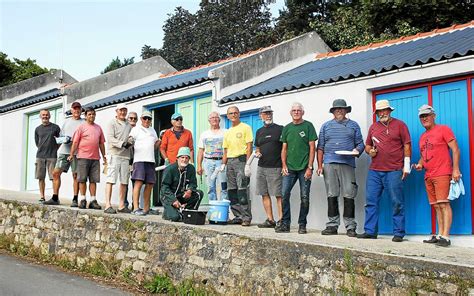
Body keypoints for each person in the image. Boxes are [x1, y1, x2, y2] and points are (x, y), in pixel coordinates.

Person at [357, 99, 411, 242]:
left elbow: (407, 145)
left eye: (384, 110)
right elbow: (367, 145)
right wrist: (370, 152)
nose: (382, 113)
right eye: (379, 111)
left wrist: (406, 166)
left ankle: (399, 233)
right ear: (377, 113)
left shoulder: (400, 125)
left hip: (394, 169)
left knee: (397, 201)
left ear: (390, 110)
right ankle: (370, 231)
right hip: (375, 170)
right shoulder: (373, 127)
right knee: (371, 201)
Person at [414, 105, 461, 247]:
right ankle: (440, 234)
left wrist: (456, 169)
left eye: (427, 115)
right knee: (436, 206)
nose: (424, 118)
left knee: (444, 204)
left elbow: (455, 149)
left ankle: (446, 237)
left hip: (442, 172)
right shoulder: (422, 137)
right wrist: (420, 164)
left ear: (433, 116)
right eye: (422, 116)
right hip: (428, 175)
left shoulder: (443, 129)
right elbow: (424, 155)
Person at [317, 99, 364, 237]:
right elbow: (320, 147)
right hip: (330, 163)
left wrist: (356, 150)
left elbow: (360, 143)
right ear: (333, 111)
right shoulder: (326, 126)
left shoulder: (354, 125)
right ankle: (332, 225)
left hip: (348, 163)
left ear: (346, 111)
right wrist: (319, 165)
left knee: (349, 194)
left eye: (341, 109)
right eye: (336, 109)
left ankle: (350, 226)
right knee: (332, 194)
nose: (339, 111)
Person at [276, 102, 317, 234]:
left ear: (303, 112)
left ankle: (302, 224)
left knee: (304, 197)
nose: (296, 112)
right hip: (289, 168)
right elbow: (284, 148)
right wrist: (284, 165)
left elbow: (312, 147)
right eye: (294, 110)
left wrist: (310, 167)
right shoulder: (287, 128)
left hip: (304, 168)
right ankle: (285, 224)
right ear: (290, 112)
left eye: (299, 110)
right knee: (284, 194)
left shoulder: (308, 126)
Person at [69, 107, 106, 210]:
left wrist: (104, 156)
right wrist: (71, 154)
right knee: (82, 179)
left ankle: (93, 200)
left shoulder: (98, 128)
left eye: (93, 114)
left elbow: (101, 143)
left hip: (95, 158)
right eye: (89, 114)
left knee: (93, 180)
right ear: (85, 116)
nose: (91, 116)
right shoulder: (81, 127)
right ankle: (83, 200)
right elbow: (75, 142)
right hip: (83, 157)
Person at [222, 106, 253, 226]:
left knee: (242, 189)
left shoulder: (246, 127)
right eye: (231, 113)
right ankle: (237, 215)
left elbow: (249, 146)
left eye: (235, 113)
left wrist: (248, 163)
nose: (233, 115)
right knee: (232, 190)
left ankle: (246, 217)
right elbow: (225, 150)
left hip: (241, 160)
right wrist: (223, 164)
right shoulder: (228, 132)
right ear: (228, 116)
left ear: (239, 114)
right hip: (230, 162)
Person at [49, 101, 84, 206]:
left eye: (78, 108)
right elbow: (60, 137)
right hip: (64, 151)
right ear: (72, 110)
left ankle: (75, 199)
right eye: (74, 109)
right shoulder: (66, 122)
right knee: (55, 173)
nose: (76, 110)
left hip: (77, 153)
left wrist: (75, 141)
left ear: (81, 110)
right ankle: (55, 198)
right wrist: (62, 141)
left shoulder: (84, 123)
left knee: (76, 175)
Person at [254, 106, 283, 228]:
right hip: (261, 167)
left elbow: (285, 147)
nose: (268, 115)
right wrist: (257, 152)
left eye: (270, 113)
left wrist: (284, 165)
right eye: (265, 113)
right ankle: (270, 220)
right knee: (264, 193)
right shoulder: (259, 131)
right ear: (261, 115)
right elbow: (258, 147)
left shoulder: (280, 129)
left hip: (276, 166)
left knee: (278, 194)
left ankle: (282, 220)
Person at [129, 111, 160, 216]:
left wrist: (159, 142)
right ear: (141, 119)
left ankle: (146, 208)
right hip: (139, 160)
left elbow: (155, 146)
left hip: (150, 160)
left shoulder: (153, 130)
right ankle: (136, 208)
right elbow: (130, 140)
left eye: (149, 119)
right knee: (138, 183)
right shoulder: (135, 129)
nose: (147, 120)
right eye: (145, 118)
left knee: (150, 184)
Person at [103, 103, 133, 214]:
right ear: (117, 111)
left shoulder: (129, 125)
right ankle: (107, 205)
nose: (123, 112)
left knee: (124, 181)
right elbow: (110, 139)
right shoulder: (111, 123)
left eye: (125, 110)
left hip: (125, 156)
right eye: (121, 110)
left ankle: (121, 205)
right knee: (110, 180)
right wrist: (122, 144)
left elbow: (131, 138)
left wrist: (130, 143)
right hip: (114, 155)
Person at [161, 147, 204, 222]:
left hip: (181, 194)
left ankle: (188, 212)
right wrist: (173, 200)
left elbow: (193, 183)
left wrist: (189, 190)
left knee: (199, 193)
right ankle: (168, 213)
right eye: (182, 157)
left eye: (187, 158)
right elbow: (164, 187)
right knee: (175, 218)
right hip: (168, 197)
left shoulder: (191, 168)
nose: (184, 160)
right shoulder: (170, 169)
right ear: (177, 158)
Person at [196, 111, 227, 201]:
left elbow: (227, 150)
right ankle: (214, 209)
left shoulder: (225, 132)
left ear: (219, 120)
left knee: (223, 186)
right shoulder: (204, 134)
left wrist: (224, 163)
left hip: (221, 162)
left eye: (216, 117)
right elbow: (201, 150)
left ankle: (224, 210)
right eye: (212, 118)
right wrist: (199, 166)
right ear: (209, 120)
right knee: (210, 187)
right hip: (208, 162)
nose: (214, 119)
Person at [35, 109, 60, 203]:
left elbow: (59, 141)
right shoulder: (37, 129)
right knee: (41, 177)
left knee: (54, 177)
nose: (45, 116)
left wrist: (54, 149)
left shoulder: (55, 127)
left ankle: (55, 197)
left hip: (52, 156)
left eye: (47, 115)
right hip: (40, 156)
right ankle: (42, 197)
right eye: (43, 115)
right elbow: (37, 143)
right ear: (40, 116)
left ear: (49, 116)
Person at [123, 111, 138, 209]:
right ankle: (124, 203)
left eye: (134, 118)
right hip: (125, 159)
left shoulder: (138, 130)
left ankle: (135, 205)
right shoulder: (124, 130)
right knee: (124, 182)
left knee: (135, 183)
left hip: (136, 160)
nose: (132, 120)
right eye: (130, 118)